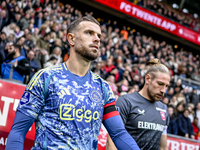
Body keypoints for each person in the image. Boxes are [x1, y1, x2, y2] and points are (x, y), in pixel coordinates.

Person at [5, 15, 140, 150]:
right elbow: (18, 132)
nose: (97, 39)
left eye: (99, 35)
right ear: (71, 39)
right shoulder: (46, 78)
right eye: (89, 33)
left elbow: (119, 134)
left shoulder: (103, 87)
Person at [106, 58, 170, 150]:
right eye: (160, 84)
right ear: (147, 79)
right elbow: (112, 142)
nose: (163, 90)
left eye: (166, 86)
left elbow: (163, 147)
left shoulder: (163, 108)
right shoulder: (125, 102)